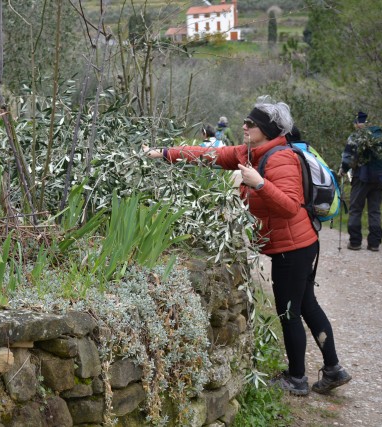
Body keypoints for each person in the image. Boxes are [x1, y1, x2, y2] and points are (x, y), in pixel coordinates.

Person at [142, 96, 351, 396]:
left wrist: (260, 185)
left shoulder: (280, 158)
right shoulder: (249, 153)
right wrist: (164, 153)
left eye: (251, 124)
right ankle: (333, 370)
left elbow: (291, 207)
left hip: (294, 248)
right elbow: (208, 155)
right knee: (306, 303)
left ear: (266, 130)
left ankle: (297, 379)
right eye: (246, 121)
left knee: (289, 311)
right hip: (299, 244)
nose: (244, 125)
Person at [338, 111, 382, 252]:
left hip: (361, 178)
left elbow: (347, 157)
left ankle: (355, 242)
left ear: (357, 123)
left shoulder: (356, 136)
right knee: (375, 210)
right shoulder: (380, 136)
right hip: (379, 178)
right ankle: (374, 243)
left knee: (356, 209)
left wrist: (343, 170)